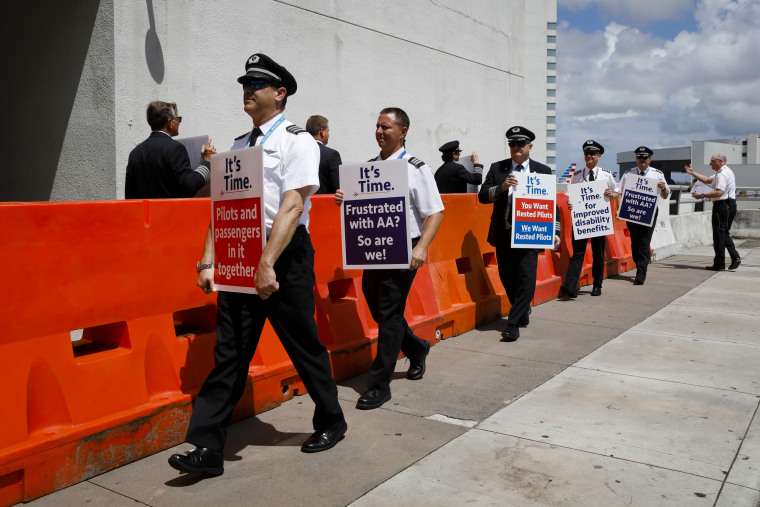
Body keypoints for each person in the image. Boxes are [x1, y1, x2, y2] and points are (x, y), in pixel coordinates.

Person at [168, 53, 346, 477]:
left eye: (257, 83)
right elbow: (224, 208)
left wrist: (267, 264)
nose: (247, 90)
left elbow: (293, 204)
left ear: (280, 93)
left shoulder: (297, 140)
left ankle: (332, 420)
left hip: (284, 256)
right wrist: (208, 260)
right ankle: (208, 448)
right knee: (229, 352)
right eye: (245, 83)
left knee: (303, 344)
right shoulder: (237, 147)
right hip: (238, 252)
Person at [334, 107, 444, 410]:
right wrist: (345, 199)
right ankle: (417, 347)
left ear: (403, 132)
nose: (380, 132)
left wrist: (421, 248)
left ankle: (379, 384)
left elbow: (435, 213)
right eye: (378, 127)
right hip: (374, 246)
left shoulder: (416, 168)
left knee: (389, 310)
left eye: (387, 127)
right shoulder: (368, 169)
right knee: (379, 307)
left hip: (404, 247)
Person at [478, 126, 560, 342]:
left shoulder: (542, 170)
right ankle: (521, 310)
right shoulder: (498, 168)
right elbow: (482, 196)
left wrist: (556, 230)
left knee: (526, 279)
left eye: (520, 144)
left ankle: (512, 324)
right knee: (507, 277)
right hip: (504, 234)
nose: (516, 147)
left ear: (529, 147)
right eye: (512, 144)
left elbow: (552, 203)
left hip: (531, 233)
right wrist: (502, 187)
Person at [559, 140, 620, 298]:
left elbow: (617, 193)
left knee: (598, 253)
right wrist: (571, 203)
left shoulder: (606, 175)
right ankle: (570, 285)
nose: (589, 156)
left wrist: (610, 195)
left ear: (599, 156)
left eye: (592, 153)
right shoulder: (577, 176)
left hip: (599, 219)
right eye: (586, 153)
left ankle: (597, 284)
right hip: (582, 220)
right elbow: (568, 197)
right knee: (578, 252)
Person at [125, 101, 216, 198]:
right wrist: (207, 161)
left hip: (142, 212)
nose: (179, 123)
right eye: (178, 119)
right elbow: (189, 187)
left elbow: (129, 195)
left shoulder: (135, 153)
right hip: (168, 212)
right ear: (170, 123)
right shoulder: (175, 148)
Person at [618, 146, 671, 285]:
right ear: (636, 159)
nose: (642, 160)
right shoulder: (628, 174)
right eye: (639, 157)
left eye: (645, 158)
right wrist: (619, 210)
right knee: (635, 243)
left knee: (644, 242)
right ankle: (639, 263)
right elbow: (620, 192)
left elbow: (665, 196)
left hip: (650, 212)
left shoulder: (657, 174)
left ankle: (641, 273)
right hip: (631, 212)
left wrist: (663, 188)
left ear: (649, 159)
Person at [686, 154, 740, 270]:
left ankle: (719, 264)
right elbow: (707, 180)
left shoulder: (722, 174)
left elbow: (719, 192)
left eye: (711, 161)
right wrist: (692, 173)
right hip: (730, 204)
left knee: (719, 235)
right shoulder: (725, 171)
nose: (710, 163)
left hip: (722, 206)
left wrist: (702, 195)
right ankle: (735, 257)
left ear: (720, 161)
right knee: (724, 232)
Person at [306, 115, 343, 194]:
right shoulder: (332, 155)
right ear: (322, 131)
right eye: (328, 131)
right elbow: (339, 188)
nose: (328, 134)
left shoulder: (297, 153)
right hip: (324, 204)